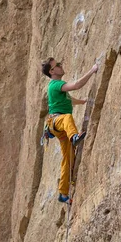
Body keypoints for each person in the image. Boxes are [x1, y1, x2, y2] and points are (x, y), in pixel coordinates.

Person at [41, 58, 98, 204]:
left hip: (58, 128)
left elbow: (68, 100)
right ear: (52, 71)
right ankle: (74, 136)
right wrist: (92, 70)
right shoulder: (55, 85)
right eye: (57, 65)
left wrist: (82, 101)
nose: (61, 66)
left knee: (68, 158)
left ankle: (63, 193)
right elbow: (77, 84)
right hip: (57, 122)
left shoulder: (58, 87)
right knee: (67, 118)